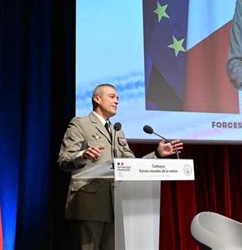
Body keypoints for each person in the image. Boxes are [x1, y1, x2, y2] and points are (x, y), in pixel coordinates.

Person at [58, 84, 182, 250]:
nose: (116, 101)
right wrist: (83, 155)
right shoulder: (81, 124)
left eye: (118, 98)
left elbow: (131, 165)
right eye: (112, 96)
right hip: (89, 205)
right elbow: (64, 160)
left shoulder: (118, 131)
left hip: (115, 205)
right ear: (97, 99)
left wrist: (157, 154)